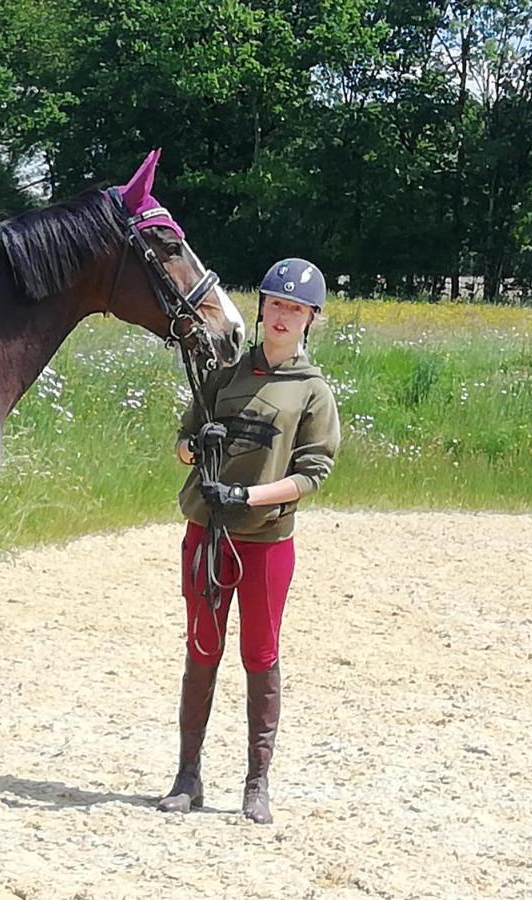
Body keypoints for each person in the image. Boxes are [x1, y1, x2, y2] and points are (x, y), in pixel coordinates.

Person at [157, 257, 341, 824]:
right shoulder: (225, 374)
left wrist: (248, 499)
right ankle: (188, 777)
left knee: (259, 655)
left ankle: (256, 782)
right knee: (201, 650)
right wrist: (197, 445)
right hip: (207, 534)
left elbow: (314, 471)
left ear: (311, 318)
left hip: (263, 542)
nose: (282, 315)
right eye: (275, 303)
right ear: (261, 308)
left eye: (295, 307)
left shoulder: (313, 392)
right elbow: (183, 443)